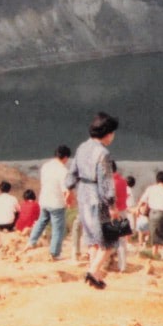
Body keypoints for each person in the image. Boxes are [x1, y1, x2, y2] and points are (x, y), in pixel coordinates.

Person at [65, 112, 120, 290]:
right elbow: (105, 182)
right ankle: (92, 271)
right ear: (108, 133)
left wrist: (68, 189)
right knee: (109, 241)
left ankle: (95, 277)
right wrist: (112, 205)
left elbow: (72, 171)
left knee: (92, 238)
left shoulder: (82, 147)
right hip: (97, 197)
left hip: (83, 194)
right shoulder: (103, 153)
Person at [27, 145, 72, 260]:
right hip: (56, 202)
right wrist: (68, 201)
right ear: (66, 157)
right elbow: (65, 189)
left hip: (44, 199)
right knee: (58, 228)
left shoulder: (46, 166)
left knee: (42, 221)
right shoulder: (63, 170)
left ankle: (31, 242)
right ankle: (54, 253)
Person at [112, 162, 130, 272]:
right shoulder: (123, 181)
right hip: (123, 211)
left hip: (112, 212)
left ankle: (104, 264)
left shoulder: (108, 182)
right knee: (122, 240)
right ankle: (122, 266)